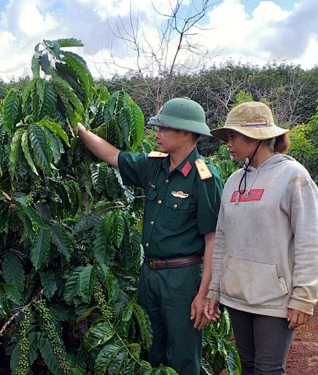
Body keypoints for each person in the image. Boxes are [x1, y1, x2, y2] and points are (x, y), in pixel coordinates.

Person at [77, 98, 223, 374]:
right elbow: (114, 156)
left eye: (163, 129)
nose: (156, 135)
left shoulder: (204, 178)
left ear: (185, 133)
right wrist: (82, 131)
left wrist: (204, 294)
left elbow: (213, 240)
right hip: (151, 274)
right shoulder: (155, 165)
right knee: (150, 348)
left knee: (182, 354)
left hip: (184, 278)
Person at [204, 102, 318, 375]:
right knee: (248, 367)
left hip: (274, 298)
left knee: (268, 370)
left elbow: (309, 240)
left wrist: (304, 298)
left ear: (258, 137)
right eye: (228, 137)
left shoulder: (293, 177)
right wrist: (215, 289)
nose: (229, 143)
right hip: (237, 295)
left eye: (233, 136)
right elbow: (222, 238)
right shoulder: (235, 180)